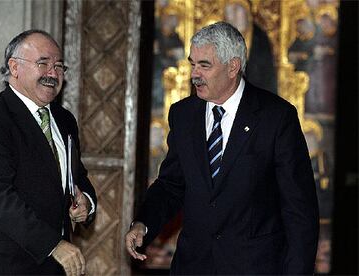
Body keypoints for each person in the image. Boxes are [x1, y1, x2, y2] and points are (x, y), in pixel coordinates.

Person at [125, 22, 319, 274]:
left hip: (254, 267)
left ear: (233, 67)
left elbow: (299, 210)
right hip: (194, 266)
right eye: (192, 63)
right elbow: (171, 185)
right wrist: (143, 223)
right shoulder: (184, 115)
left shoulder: (276, 117)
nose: (195, 74)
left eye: (204, 65)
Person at [0, 30, 96, 276]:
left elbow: (77, 176)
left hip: (50, 268)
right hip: (0, 266)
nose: (53, 73)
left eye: (59, 66)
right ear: (14, 67)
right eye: (43, 63)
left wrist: (87, 202)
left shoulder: (64, 120)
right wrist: (53, 245)